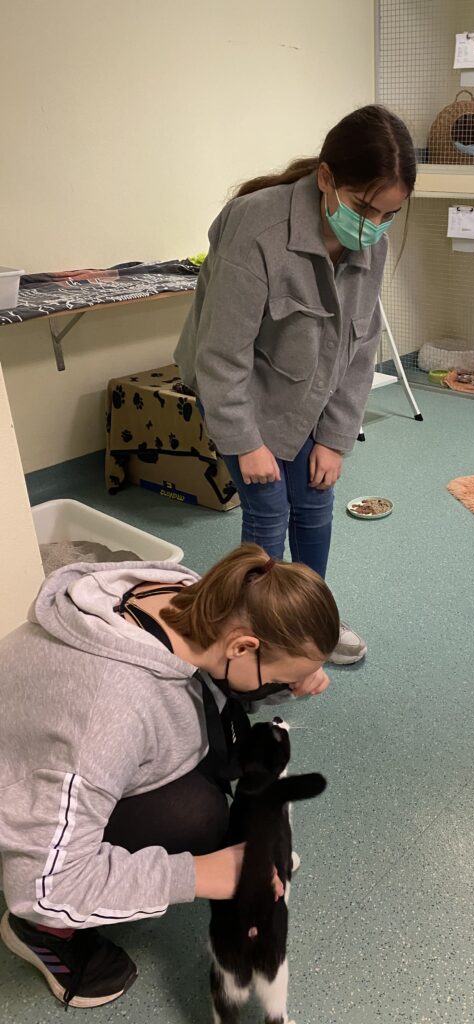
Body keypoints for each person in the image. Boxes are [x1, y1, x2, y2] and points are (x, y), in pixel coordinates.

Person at [0, 544, 339, 1008]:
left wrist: (289, 678)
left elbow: (220, 682)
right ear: (244, 645)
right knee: (194, 821)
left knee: (215, 788)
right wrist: (196, 874)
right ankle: (45, 936)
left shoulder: (193, 593)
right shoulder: (108, 713)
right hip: (37, 818)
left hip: (74, 747)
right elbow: (46, 885)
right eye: (277, 677)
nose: (280, 686)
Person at [174, 105, 416, 667]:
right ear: (327, 178)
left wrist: (336, 439)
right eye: (364, 208)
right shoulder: (256, 226)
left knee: (315, 501)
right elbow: (221, 354)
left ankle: (311, 622)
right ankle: (259, 630)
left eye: (390, 214)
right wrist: (244, 441)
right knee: (269, 510)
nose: (375, 225)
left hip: (310, 393)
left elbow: (359, 349)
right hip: (241, 392)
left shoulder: (371, 238)